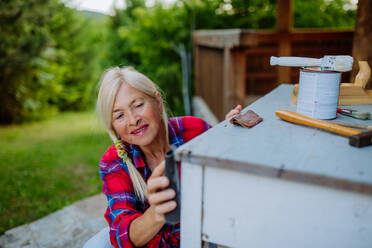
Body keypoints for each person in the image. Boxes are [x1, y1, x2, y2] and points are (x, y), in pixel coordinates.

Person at [88, 66, 241, 248]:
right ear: (113, 128)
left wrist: (233, 140)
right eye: (119, 115)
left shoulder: (194, 130)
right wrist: (158, 211)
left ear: (158, 102)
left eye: (138, 105)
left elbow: (231, 181)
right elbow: (122, 235)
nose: (132, 120)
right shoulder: (114, 162)